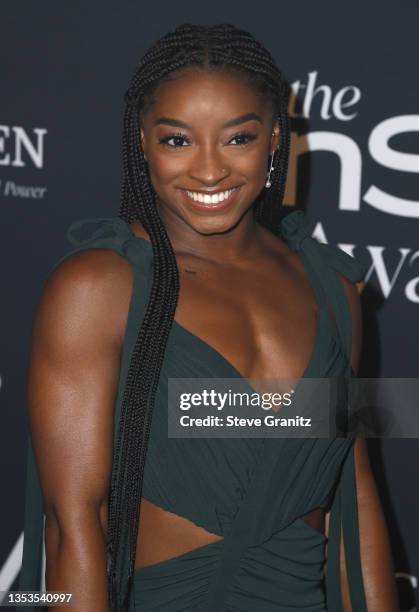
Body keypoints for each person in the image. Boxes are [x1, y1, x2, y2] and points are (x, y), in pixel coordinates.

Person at [19, 23, 398, 612]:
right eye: (177, 141)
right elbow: (73, 523)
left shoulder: (332, 287)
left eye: (237, 138)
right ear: (141, 142)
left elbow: (356, 498)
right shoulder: (98, 288)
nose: (209, 171)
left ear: (275, 138)